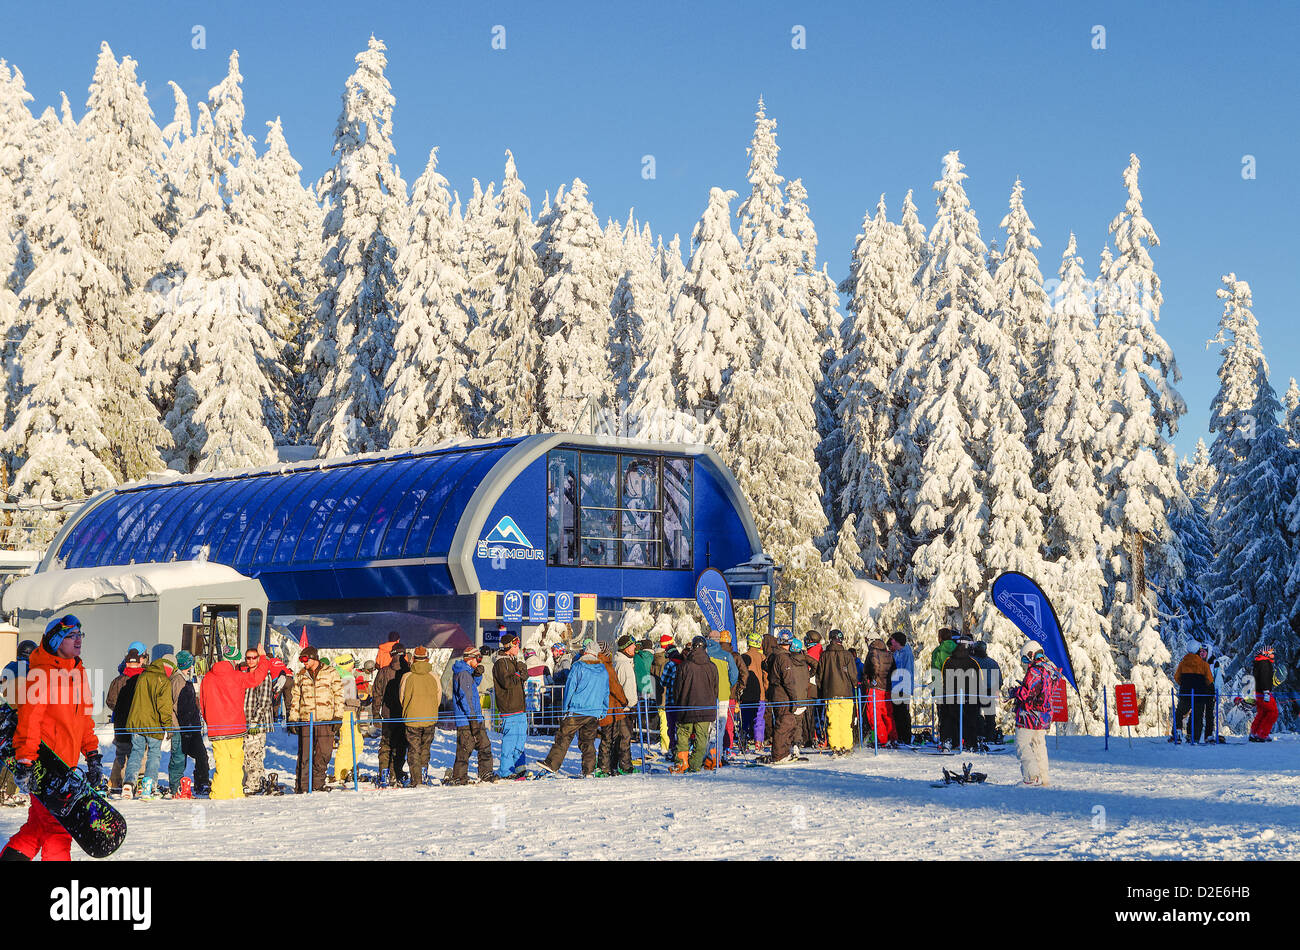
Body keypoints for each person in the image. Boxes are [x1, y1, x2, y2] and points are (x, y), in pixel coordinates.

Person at [0, 616, 101, 861]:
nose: (78, 640)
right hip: (46, 766)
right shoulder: (41, 675)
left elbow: (84, 719)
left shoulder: (78, 673)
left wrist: (93, 754)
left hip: (67, 765)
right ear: (56, 641)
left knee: (37, 828)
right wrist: (25, 761)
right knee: (58, 831)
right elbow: (29, 721)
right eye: (71, 635)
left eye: (80, 634)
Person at [199, 642, 270, 800]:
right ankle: (235, 791)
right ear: (234, 661)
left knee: (221, 762)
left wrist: (210, 721)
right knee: (236, 761)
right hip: (235, 727)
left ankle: (219, 793)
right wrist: (263, 657)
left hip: (217, 729)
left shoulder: (208, 678)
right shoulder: (237, 676)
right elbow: (257, 677)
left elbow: (202, 704)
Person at [536, 640, 607, 777]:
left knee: (564, 737)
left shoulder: (578, 666)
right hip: (593, 712)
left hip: (576, 709)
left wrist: (565, 708)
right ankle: (589, 770)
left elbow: (570, 688)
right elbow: (605, 691)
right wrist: (603, 710)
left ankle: (552, 764)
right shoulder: (602, 669)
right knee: (588, 742)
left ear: (585, 651)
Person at [123, 653, 178, 800]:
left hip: (136, 724)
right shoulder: (163, 681)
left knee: (136, 752)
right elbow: (164, 708)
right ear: (168, 668)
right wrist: (168, 727)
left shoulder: (143, 676)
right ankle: (149, 785)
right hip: (154, 725)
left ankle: (129, 783)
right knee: (154, 755)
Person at [289, 646, 344, 793]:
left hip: (326, 719)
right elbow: (295, 697)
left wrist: (338, 716)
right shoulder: (301, 674)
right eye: (301, 660)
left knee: (324, 753)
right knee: (305, 755)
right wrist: (293, 718)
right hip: (307, 719)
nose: (303, 663)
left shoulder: (331, 673)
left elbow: (339, 695)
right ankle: (303, 786)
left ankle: (317, 783)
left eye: (305, 659)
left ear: (314, 658)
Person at [1012, 641, 1058, 786]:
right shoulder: (1050, 669)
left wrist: (1014, 692)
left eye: (1026, 659)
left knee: (1022, 744)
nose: (1025, 663)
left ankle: (1032, 776)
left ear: (1032, 654)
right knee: (1039, 745)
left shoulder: (1035, 671)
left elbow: (1027, 693)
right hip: (1043, 716)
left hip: (1029, 715)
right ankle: (1044, 778)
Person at [449, 647, 497, 785]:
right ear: (470, 658)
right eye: (478, 659)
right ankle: (459, 776)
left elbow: (473, 685)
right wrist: (473, 719)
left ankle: (486, 772)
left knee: (484, 745)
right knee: (465, 748)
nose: (479, 661)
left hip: (475, 717)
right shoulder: (463, 674)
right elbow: (466, 697)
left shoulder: (466, 673)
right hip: (467, 719)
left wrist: (476, 675)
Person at [240, 647, 285, 794]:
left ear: (259, 659)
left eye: (254, 657)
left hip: (257, 722)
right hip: (245, 721)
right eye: (248, 658)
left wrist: (255, 720)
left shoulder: (264, 675)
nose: (251, 660)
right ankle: (257, 781)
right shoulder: (246, 674)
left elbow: (265, 701)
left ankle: (253, 784)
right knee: (250, 753)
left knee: (253, 754)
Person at [399, 646, 443, 785]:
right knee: (425, 748)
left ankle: (416, 779)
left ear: (413, 659)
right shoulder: (434, 676)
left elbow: (402, 697)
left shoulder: (407, 677)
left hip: (412, 719)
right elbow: (438, 697)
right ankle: (424, 774)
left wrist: (409, 708)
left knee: (413, 750)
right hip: (429, 718)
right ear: (427, 658)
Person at [169, 651, 210, 796]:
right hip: (182, 727)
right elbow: (177, 706)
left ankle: (202, 782)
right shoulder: (177, 680)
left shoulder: (186, 679)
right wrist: (185, 725)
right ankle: (176, 786)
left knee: (202, 755)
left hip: (192, 726)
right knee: (179, 758)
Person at [105, 648, 144, 795]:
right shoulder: (144, 679)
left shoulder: (117, 681)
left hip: (121, 722)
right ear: (139, 661)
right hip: (139, 723)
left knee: (121, 753)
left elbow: (110, 702)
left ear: (126, 663)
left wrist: (121, 708)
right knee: (140, 753)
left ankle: (116, 782)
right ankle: (139, 784)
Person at [371, 643, 410, 786]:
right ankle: (396, 772)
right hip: (404, 715)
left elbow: (376, 694)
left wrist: (376, 713)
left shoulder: (383, 672)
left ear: (391, 655)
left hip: (388, 715)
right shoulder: (409, 671)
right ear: (404, 654)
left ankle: (383, 773)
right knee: (401, 745)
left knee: (386, 744)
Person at [597, 636, 637, 775]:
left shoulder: (625, 662)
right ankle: (620, 766)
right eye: (632, 646)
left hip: (624, 706)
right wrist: (626, 702)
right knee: (620, 738)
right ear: (626, 648)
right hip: (621, 707)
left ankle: (615, 765)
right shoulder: (621, 664)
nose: (635, 648)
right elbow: (618, 686)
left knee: (621, 737)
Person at [491, 633, 529, 777]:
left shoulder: (513, 661)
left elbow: (523, 677)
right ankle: (506, 770)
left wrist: (522, 670)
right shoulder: (501, 663)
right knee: (510, 741)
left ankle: (519, 767)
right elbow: (507, 683)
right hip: (509, 707)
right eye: (515, 645)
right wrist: (518, 673)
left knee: (520, 740)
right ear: (508, 647)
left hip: (519, 707)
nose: (518, 647)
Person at [818, 630, 857, 755]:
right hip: (846, 693)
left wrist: (821, 689)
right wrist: (855, 683)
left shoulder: (824, 655)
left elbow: (820, 675)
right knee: (845, 722)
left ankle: (835, 746)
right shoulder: (847, 655)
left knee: (833, 721)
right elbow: (853, 674)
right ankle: (846, 746)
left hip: (831, 692)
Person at [766, 631, 802, 765]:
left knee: (787, 723)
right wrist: (794, 698)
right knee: (785, 724)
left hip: (777, 693)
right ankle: (779, 755)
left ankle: (783, 752)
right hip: (783, 694)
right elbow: (788, 680)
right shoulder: (783, 658)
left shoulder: (774, 655)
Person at [331, 654, 365, 783]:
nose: (353, 667)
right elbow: (349, 700)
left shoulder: (341, 675)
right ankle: (341, 773)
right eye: (352, 664)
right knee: (348, 743)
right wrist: (362, 702)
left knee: (355, 743)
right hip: (348, 714)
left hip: (348, 713)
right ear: (347, 665)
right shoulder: (347, 678)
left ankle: (346, 770)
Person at [1172, 639, 1213, 744]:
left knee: (1180, 712)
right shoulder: (1204, 665)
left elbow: (1176, 677)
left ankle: (1178, 732)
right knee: (1197, 716)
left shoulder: (1182, 663)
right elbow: (1209, 680)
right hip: (1199, 695)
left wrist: (1184, 684)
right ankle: (1194, 738)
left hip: (1185, 693)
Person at [970, 641, 1002, 743]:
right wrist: (996, 688)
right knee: (990, 715)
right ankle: (990, 736)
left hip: (975, 691)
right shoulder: (992, 662)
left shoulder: (972, 661)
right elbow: (999, 679)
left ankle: (977, 734)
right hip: (989, 691)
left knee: (974, 714)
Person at [741, 633, 767, 751]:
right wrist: (765, 687)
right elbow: (766, 675)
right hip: (760, 693)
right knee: (759, 719)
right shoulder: (762, 658)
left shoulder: (743, 657)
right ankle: (758, 742)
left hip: (745, 694)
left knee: (745, 719)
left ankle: (743, 741)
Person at [887, 632, 914, 747]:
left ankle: (906, 736)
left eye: (893, 640)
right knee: (897, 713)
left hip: (903, 687)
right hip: (896, 686)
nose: (891, 642)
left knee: (903, 713)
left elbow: (907, 671)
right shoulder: (897, 653)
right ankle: (900, 736)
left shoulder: (906, 653)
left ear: (897, 641)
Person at [1249, 646, 1279, 742]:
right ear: (1265, 653)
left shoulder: (1259, 662)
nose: (1272, 654)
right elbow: (1264, 678)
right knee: (1273, 712)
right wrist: (1266, 691)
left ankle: (1254, 733)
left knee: (1263, 712)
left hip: (1258, 692)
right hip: (1263, 693)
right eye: (1270, 652)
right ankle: (1262, 734)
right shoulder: (1264, 663)